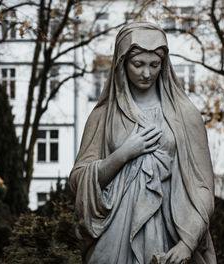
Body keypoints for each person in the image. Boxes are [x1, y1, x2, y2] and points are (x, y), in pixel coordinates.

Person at [69, 21, 216, 264]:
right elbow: (78, 181)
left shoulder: (185, 114)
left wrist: (188, 244)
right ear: (122, 63)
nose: (147, 73)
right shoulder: (103, 117)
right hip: (114, 237)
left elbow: (202, 188)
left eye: (154, 65)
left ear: (164, 65)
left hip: (170, 235)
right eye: (138, 64)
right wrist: (122, 155)